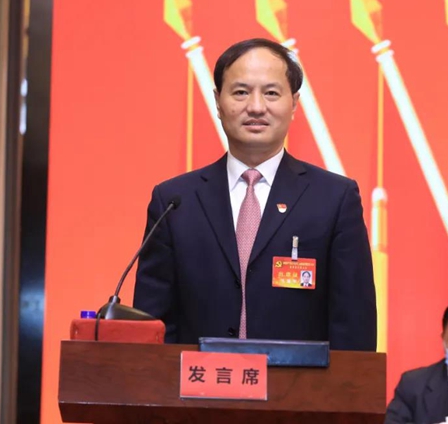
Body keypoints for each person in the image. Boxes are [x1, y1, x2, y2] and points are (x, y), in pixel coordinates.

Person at [133, 38, 376, 351]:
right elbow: (153, 326)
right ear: (218, 101)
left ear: (294, 103)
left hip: (299, 382)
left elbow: (353, 325)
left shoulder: (334, 199)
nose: (257, 107)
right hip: (200, 381)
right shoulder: (175, 201)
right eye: (241, 92)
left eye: (271, 93)